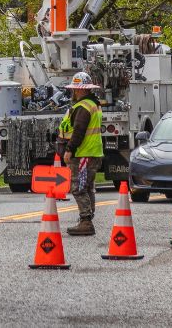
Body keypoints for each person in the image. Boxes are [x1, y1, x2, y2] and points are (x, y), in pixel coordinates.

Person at [61, 71, 104, 236]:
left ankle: (86, 221)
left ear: (80, 90)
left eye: (75, 89)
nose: (74, 92)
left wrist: (69, 149)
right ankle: (87, 219)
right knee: (87, 187)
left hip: (83, 153)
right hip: (94, 152)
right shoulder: (94, 104)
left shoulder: (83, 107)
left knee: (78, 187)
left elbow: (78, 131)